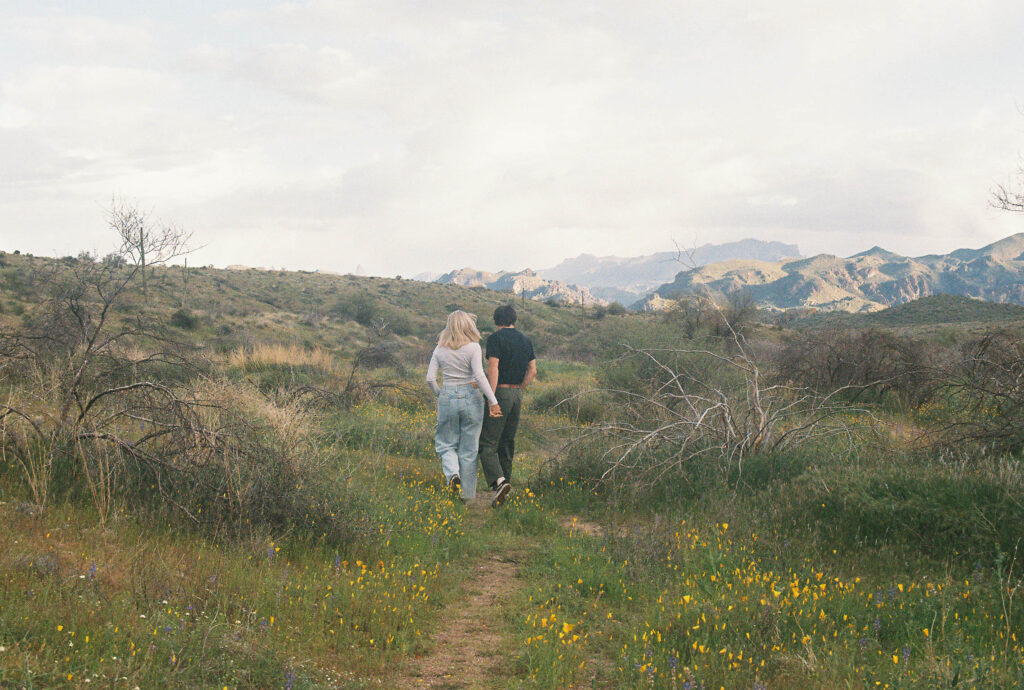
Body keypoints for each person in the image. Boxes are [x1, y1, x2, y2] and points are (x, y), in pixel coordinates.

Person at [426, 310, 502, 501]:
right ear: (468, 325)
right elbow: (479, 375)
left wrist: (441, 395)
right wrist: (493, 401)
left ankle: (452, 474)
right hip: (471, 397)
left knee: (446, 444)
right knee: (470, 449)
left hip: (448, 394)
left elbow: (430, 379)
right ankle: (468, 497)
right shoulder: (474, 347)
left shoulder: (439, 349)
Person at [478, 304, 536, 507]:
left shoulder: (495, 339)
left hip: (500, 391)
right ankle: (505, 488)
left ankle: (499, 483)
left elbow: (493, 368)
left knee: (487, 443)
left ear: (496, 320)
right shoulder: (526, 340)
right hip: (516, 394)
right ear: (514, 319)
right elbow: (532, 371)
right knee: (507, 441)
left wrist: (491, 397)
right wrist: (520, 388)